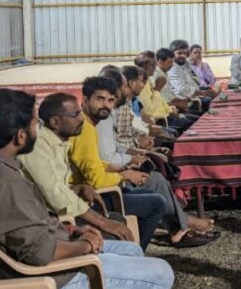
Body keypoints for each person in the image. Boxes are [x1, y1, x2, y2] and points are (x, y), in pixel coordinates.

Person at [0, 88, 174, 289]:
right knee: (161, 274)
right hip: (42, 282)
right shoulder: (8, 182)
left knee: (131, 253)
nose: (36, 130)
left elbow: (29, 228)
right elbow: (41, 254)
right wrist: (86, 244)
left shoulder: (8, 170)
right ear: (19, 136)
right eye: (32, 124)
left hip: (47, 263)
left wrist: (69, 230)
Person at [68, 77, 216, 249]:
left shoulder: (90, 126)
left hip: (95, 188)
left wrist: (123, 167)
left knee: (156, 176)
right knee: (156, 202)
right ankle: (139, 251)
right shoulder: (85, 129)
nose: (105, 105)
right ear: (85, 100)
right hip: (91, 197)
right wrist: (125, 174)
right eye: (100, 99)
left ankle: (178, 225)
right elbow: (96, 179)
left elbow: (94, 162)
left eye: (110, 100)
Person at [19, 92, 134, 242]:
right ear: (55, 122)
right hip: (47, 219)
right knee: (115, 229)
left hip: (59, 210)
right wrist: (101, 221)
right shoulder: (38, 147)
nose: (82, 119)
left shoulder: (60, 143)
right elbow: (55, 194)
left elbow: (54, 187)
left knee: (117, 220)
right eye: (76, 115)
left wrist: (78, 188)